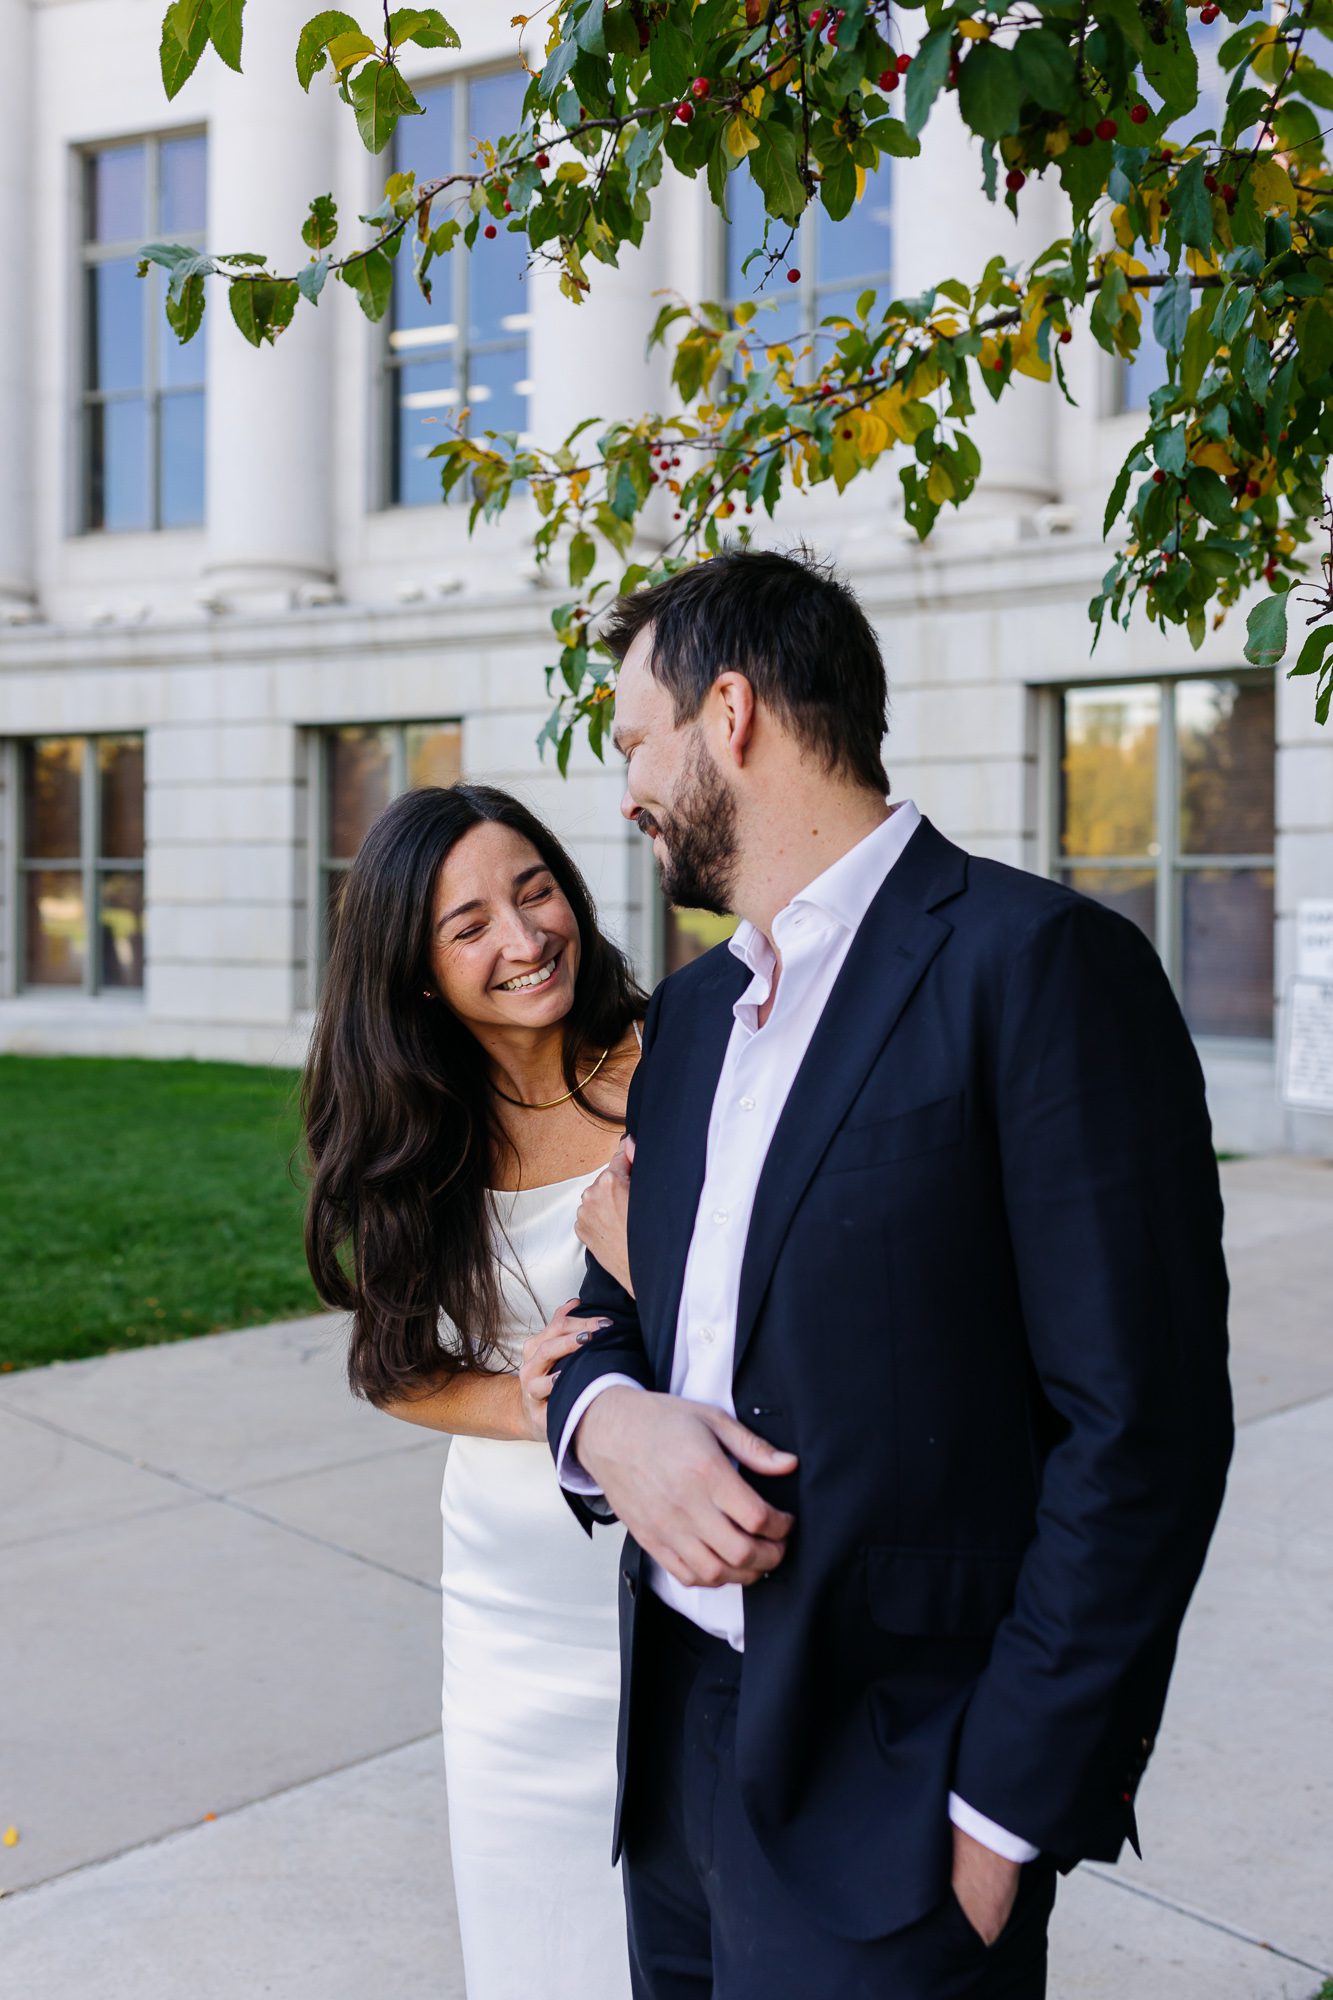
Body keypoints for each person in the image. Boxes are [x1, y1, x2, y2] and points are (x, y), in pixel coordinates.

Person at [546, 544, 1235, 1999]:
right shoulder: (685, 1021)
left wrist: (1000, 1821)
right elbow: (600, 1325)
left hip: (901, 1791)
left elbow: (1143, 1429)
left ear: (728, 713)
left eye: (632, 742)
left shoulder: (1039, 968)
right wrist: (611, 1424)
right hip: (675, 1765)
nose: (623, 791)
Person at [302, 782, 644, 2000]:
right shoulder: (418, 1126)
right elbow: (392, 1365)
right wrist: (518, 1401)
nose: (523, 935)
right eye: (469, 924)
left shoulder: (676, 1059)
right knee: (541, 1941)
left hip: (674, 1566)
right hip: (511, 1611)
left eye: (535, 887)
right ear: (416, 967)